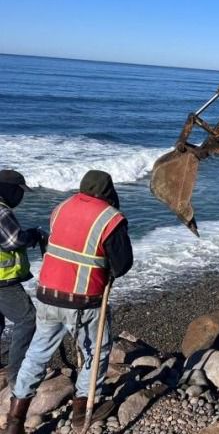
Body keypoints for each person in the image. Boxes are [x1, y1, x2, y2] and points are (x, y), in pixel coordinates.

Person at [6, 171, 133, 434]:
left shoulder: (60, 208)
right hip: (84, 300)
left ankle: (15, 419)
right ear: (108, 192)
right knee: (94, 354)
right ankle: (81, 412)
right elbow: (121, 265)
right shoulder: (111, 218)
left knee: (37, 353)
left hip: (48, 294)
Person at [0, 170, 46, 391]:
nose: (21, 196)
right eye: (19, 191)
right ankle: (16, 374)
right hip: (2, 280)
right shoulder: (1, 211)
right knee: (28, 319)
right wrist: (33, 235)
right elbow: (13, 240)